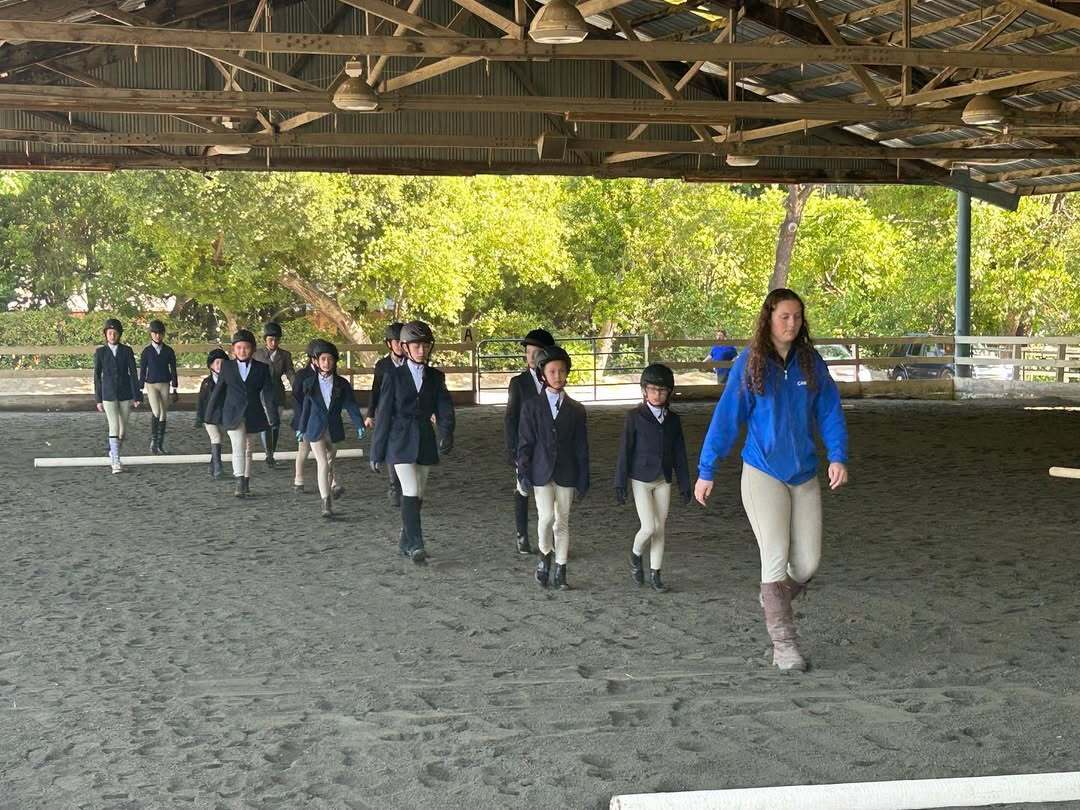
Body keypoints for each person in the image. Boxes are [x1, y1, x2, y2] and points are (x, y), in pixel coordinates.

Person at [695, 288, 849, 672]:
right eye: (784, 316)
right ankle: (785, 645)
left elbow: (830, 410)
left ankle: (773, 598)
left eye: (797, 316)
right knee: (775, 557)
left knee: (808, 563)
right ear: (768, 318)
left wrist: (838, 455)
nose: (792, 323)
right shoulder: (750, 363)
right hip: (762, 472)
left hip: (803, 473)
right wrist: (706, 469)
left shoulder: (811, 363)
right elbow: (728, 417)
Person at [370, 321, 455, 564]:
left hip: (424, 438)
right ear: (405, 347)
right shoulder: (393, 376)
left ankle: (405, 539)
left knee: (418, 494)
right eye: (416, 346)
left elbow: (444, 407)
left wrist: (446, 431)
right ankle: (417, 544)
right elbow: (384, 413)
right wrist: (377, 452)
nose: (421, 350)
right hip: (399, 439)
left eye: (425, 345)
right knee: (410, 489)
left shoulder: (436, 377)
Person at [516, 345, 589, 591]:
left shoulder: (577, 410)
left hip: (567, 471)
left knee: (563, 521)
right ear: (543, 375)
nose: (558, 375)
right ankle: (544, 556)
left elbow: (581, 446)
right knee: (546, 518)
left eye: (561, 371)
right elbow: (525, 442)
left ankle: (561, 568)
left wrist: (583, 476)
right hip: (541, 470)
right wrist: (522, 472)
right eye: (552, 371)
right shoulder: (531, 406)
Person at [614, 363, 691, 593]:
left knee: (660, 528)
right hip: (641, 478)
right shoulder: (634, 417)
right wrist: (620, 482)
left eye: (663, 390)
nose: (658, 394)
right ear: (644, 390)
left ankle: (656, 573)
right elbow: (624, 451)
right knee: (648, 527)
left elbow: (679, 453)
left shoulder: (673, 420)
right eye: (653, 389)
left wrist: (685, 483)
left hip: (663, 479)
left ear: (669, 392)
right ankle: (636, 553)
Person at [204, 329, 279, 498]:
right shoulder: (227, 367)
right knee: (237, 446)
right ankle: (239, 481)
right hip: (232, 413)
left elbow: (267, 394)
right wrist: (208, 416)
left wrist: (272, 416)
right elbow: (218, 391)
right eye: (238, 348)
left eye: (246, 348)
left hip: (253, 413)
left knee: (248, 448)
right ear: (233, 349)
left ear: (252, 349)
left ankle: (246, 480)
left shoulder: (262, 368)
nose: (242, 351)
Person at [297, 341, 366, 518]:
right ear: (316, 361)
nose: (326, 362)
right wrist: (301, 427)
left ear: (334, 361)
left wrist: (359, 423)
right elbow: (306, 407)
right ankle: (325, 502)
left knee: (330, 462)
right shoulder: (309, 383)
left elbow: (351, 405)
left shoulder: (342, 384)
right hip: (314, 427)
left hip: (333, 428)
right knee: (323, 463)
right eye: (323, 359)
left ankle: (328, 495)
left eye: (329, 359)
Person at [504, 328, 555, 555]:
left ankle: (550, 538)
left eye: (537, 352)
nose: (532, 357)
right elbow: (511, 418)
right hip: (526, 445)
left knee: (551, 492)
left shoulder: (554, 380)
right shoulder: (518, 383)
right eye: (529, 352)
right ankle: (521, 534)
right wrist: (513, 450)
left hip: (549, 447)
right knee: (523, 488)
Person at [93, 318, 142, 474]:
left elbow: (133, 373)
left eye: (114, 333)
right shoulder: (100, 352)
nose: (112, 335)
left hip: (125, 393)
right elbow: (96, 376)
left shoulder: (126, 351)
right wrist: (98, 399)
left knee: (123, 429)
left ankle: (114, 452)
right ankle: (115, 462)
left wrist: (137, 395)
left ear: (119, 334)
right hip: (108, 394)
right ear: (106, 335)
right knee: (113, 426)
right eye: (109, 333)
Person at [366, 322, 406, 506]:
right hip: (387, 412)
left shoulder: (413, 363)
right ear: (389, 344)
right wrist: (370, 413)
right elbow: (375, 390)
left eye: (402, 342)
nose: (400, 345)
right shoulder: (382, 365)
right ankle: (394, 484)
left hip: (407, 412)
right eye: (396, 342)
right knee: (391, 448)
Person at [254, 321, 294, 469]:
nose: (273, 342)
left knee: (276, 424)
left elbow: (290, 372)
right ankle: (268, 454)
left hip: (278, 391)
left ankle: (272, 451)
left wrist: (296, 386)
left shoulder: (285, 355)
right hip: (262, 392)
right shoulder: (257, 354)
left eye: (276, 339)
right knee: (269, 422)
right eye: (270, 339)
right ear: (265, 340)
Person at [138, 319, 179, 455]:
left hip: (165, 384)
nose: (157, 336)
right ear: (151, 334)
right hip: (151, 384)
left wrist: (175, 388)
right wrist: (140, 388)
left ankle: (160, 444)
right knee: (156, 411)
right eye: (155, 333)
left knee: (163, 414)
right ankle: (154, 441)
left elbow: (173, 370)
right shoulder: (147, 352)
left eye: (160, 333)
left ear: (163, 334)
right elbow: (143, 370)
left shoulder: (168, 351)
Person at [291, 339, 322, 494]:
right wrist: (300, 422)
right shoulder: (302, 375)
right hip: (304, 416)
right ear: (312, 358)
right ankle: (298, 479)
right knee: (303, 450)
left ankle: (334, 481)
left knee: (326, 452)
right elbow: (296, 398)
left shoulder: (327, 374)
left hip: (321, 418)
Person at [194, 348, 229, 480]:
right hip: (209, 417)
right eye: (217, 363)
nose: (220, 366)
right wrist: (199, 417)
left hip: (222, 417)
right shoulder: (206, 383)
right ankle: (218, 469)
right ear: (211, 365)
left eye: (222, 363)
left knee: (220, 439)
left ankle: (212, 465)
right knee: (216, 439)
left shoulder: (228, 381)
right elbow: (201, 401)